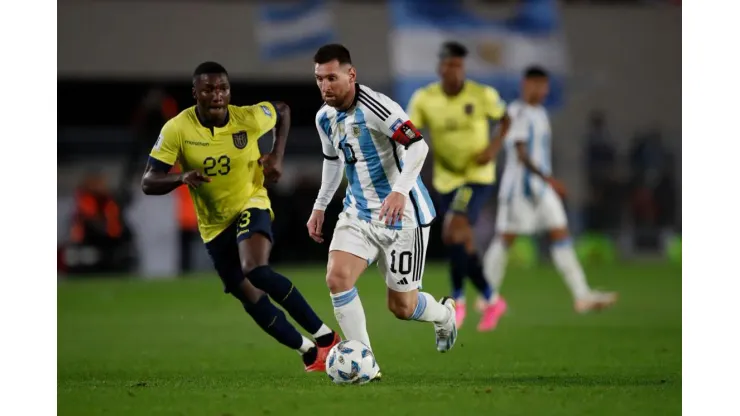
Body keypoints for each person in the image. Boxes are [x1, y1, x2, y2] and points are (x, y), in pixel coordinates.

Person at [142, 61, 340, 371]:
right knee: (248, 295)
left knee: (256, 270)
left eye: (223, 88)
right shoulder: (177, 129)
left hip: (251, 202)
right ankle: (309, 352)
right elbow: (149, 181)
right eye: (208, 89)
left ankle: (326, 337)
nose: (217, 95)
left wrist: (276, 155)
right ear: (195, 93)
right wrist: (180, 178)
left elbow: (283, 109)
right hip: (214, 224)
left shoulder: (247, 117)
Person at [306, 44, 458, 380]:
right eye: (319, 79)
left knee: (402, 307)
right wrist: (320, 206)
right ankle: (366, 365)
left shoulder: (377, 107)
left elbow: (419, 145)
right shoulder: (324, 117)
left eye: (332, 77)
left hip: (402, 217)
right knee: (337, 277)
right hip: (358, 214)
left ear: (351, 74)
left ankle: (444, 315)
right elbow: (332, 161)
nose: (325, 86)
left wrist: (400, 191)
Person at [482, 66, 618, 313]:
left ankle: (582, 295)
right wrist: (550, 179)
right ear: (527, 84)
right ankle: (486, 295)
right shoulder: (517, 112)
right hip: (520, 190)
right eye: (539, 85)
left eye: (546, 85)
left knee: (561, 234)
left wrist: (547, 182)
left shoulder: (541, 113)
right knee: (505, 239)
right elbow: (521, 153)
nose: (544, 90)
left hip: (541, 189)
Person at [406, 41, 509, 331]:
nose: (453, 70)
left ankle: (458, 302)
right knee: (461, 240)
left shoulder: (481, 94)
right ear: (440, 67)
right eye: (448, 64)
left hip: (477, 177)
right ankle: (492, 298)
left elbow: (505, 118)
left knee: (452, 229)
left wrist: (493, 147)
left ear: (463, 68)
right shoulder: (425, 98)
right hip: (446, 179)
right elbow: (407, 130)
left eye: (458, 65)